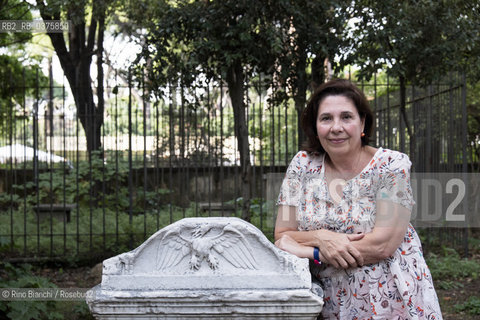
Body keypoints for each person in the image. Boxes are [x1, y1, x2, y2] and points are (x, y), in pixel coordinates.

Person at [274, 79, 442, 319]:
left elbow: (381, 245)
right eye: (326, 118)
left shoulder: (390, 166)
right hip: (329, 302)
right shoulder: (302, 165)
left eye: (346, 117)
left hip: (393, 299)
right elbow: (283, 234)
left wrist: (315, 252)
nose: (336, 127)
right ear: (315, 125)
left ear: (362, 122)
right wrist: (322, 237)